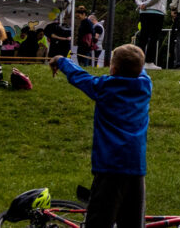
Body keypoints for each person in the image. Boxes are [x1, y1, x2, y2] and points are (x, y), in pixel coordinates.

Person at [50, 44, 152, 226]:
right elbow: (136, 68)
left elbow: (78, 76)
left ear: (112, 68)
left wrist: (60, 60)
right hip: (136, 166)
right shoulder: (145, 85)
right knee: (133, 221)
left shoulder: (104, 87)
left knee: (99, 220)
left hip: (109, 167)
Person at [135, 0, 168, 71]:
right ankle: (149, 61)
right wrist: (146, 4)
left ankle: (138, 61)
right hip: (156, 12)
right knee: (153, 37)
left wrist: (141, 5)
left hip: (144, 13)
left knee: (143, 37)